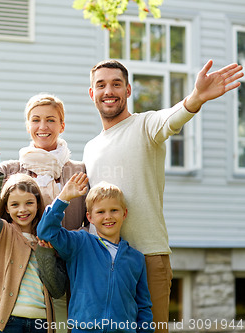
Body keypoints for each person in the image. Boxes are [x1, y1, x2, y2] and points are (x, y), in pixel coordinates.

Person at [82, 59, 244, 333]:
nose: (108, 90)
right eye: (101, 85)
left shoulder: (146, 125)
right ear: (92, 93)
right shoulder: (90, 147)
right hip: (104, 261)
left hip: (148, 256)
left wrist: (197, 97)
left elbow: (173, 116)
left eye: (116, 84)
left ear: (128, 90)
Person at [0, 93, 88, 331]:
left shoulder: (79, 170)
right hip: (22, 278)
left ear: (62, 125)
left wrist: (64, 244)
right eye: (35, 120)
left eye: (51, 120)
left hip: (65, 273)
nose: (42, 127)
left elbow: (90, 221)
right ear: (28, 125)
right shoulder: (10, 170)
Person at [0, 139, 67, 333]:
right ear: (6, 207)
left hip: (41, 323)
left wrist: (46, 254)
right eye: (15, 205)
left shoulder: (49, 237)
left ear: (38, 204)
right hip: (9, 321)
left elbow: (57, 289)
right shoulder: (1, 231)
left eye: (29, 203)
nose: (22, 210)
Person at [37, 176, 154, 333]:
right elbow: (46, 231)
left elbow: (143, 306)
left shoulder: (136, 258)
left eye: (114, 210)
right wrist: (63, 198)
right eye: (100, 212)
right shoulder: (79, 244)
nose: (108, 216)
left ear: (124, 213)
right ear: (89, 217)